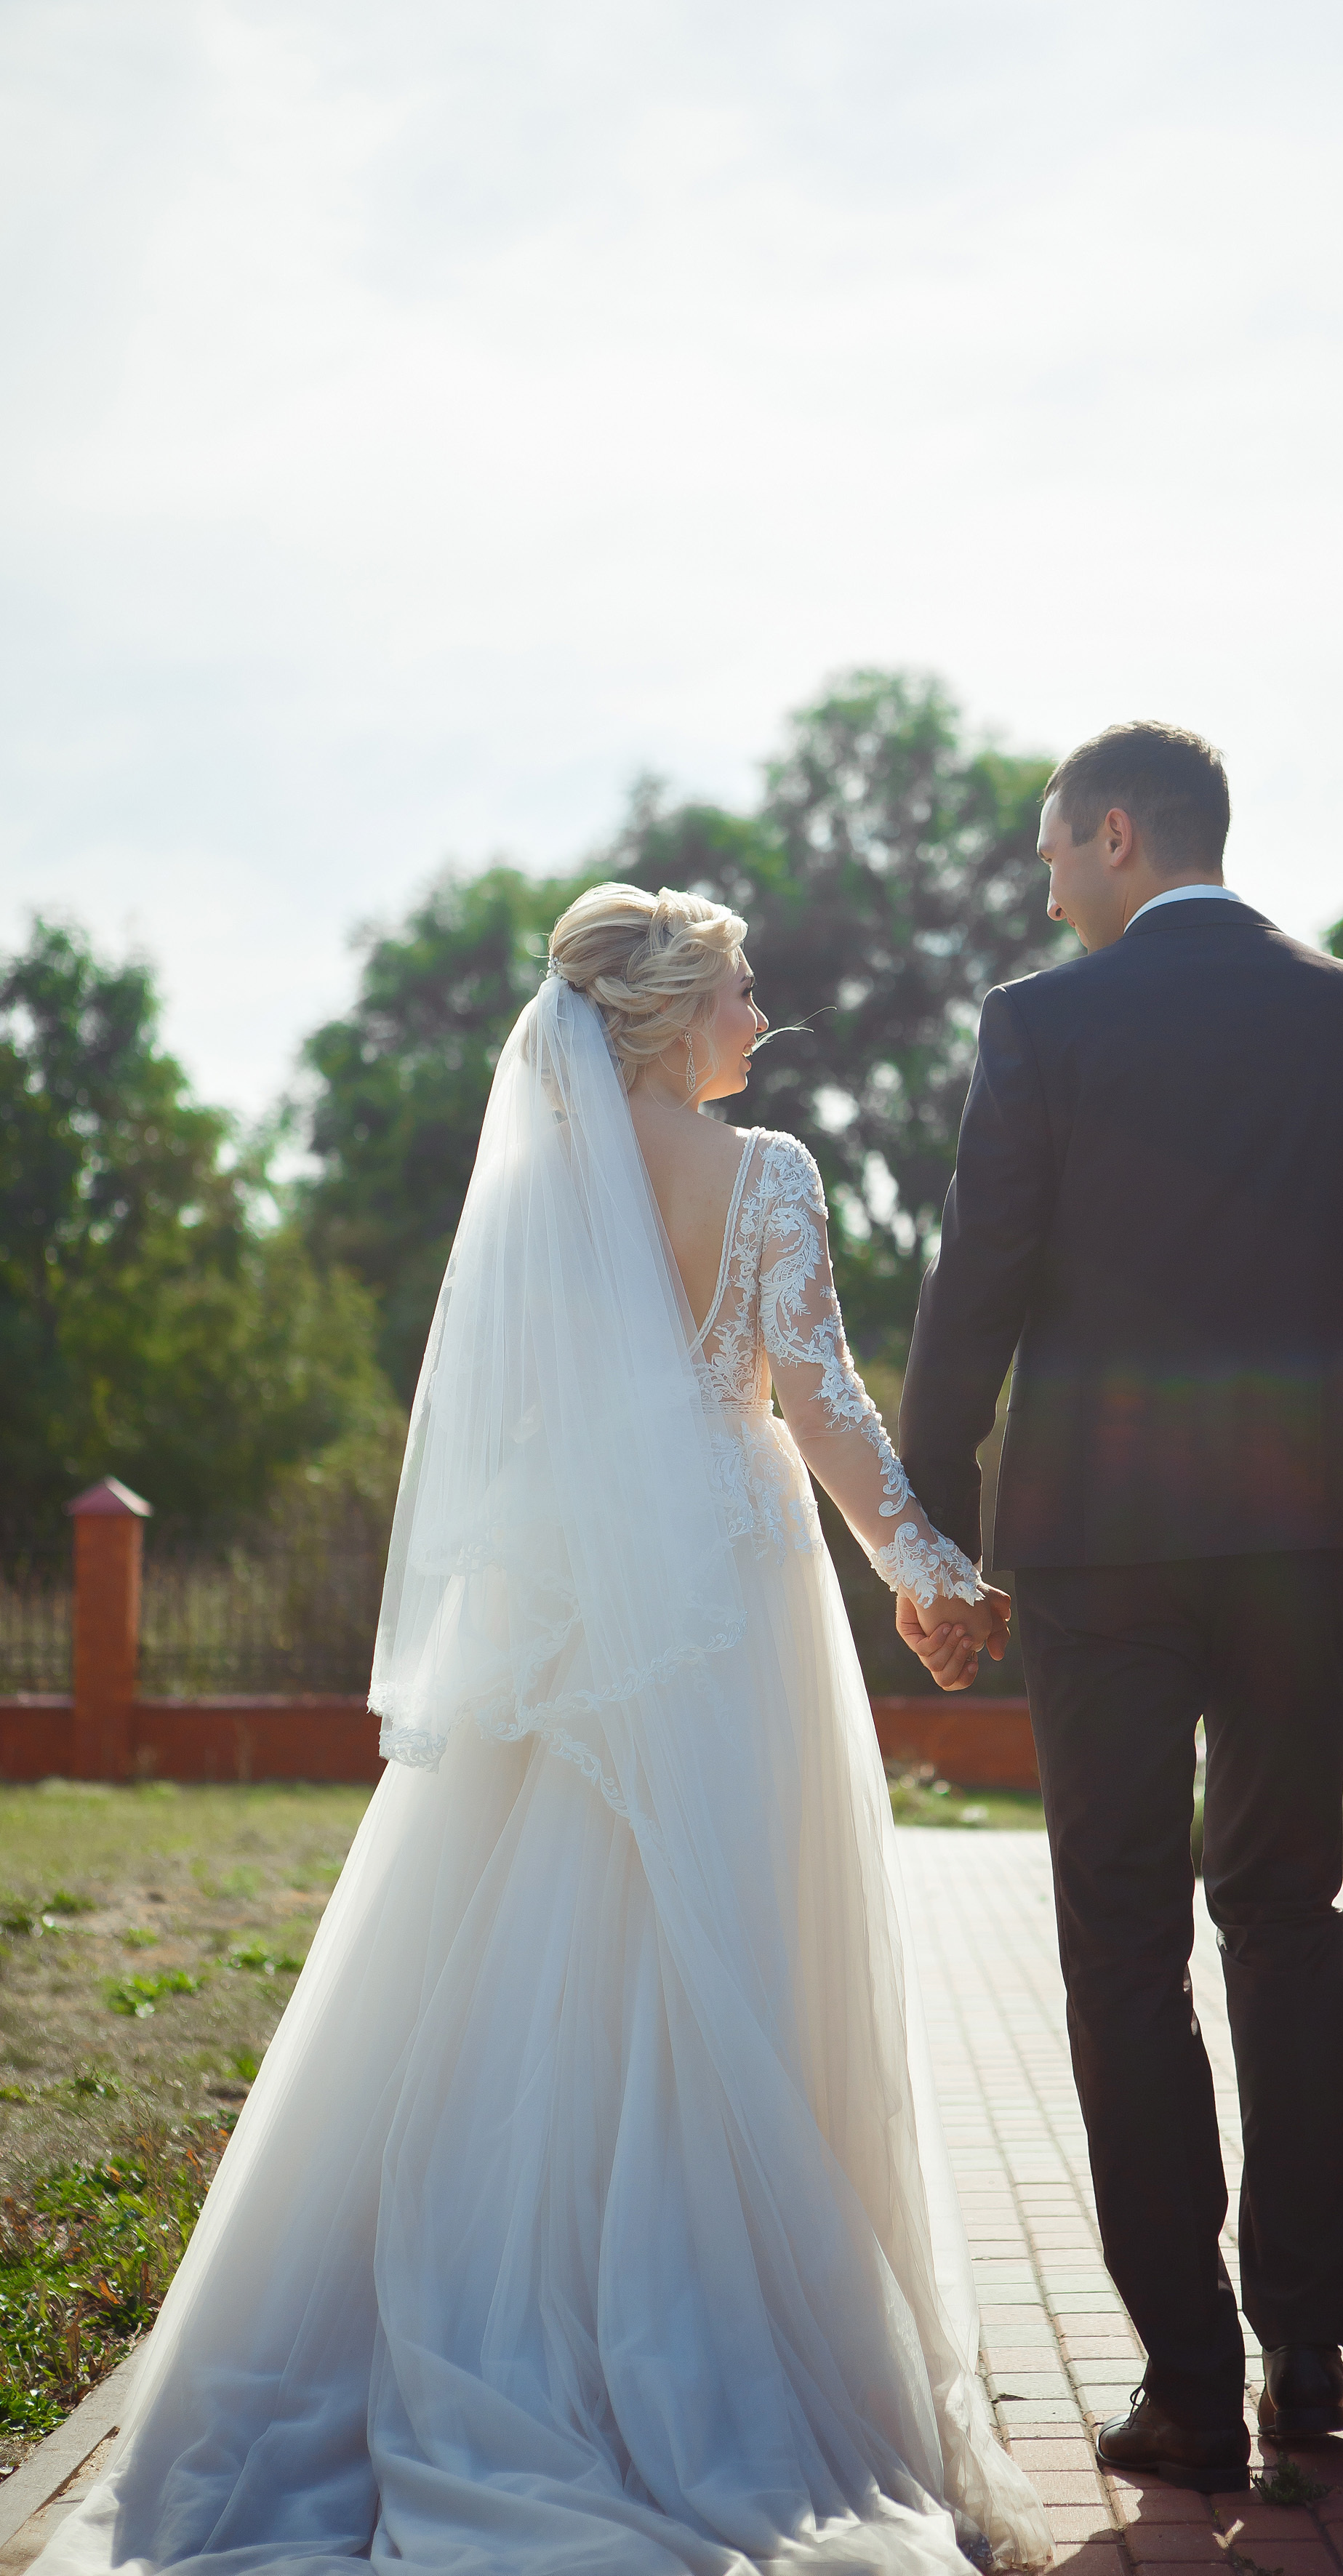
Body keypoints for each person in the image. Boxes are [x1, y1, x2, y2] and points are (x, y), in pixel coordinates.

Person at [39, 886, 1049, 2576]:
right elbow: (822, 1404)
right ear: (665, 1016)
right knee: (727, 1944)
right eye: (740, 988)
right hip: (733, 1612)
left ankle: (511, 2316)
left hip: (575, 1629)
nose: (760, 1014)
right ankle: (703, 2347)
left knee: (538, 1968)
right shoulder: (771, 1176)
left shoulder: (532, 1191)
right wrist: (929, 1571)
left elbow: (505, 1438)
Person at [896, 723, 1343, 2492]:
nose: (1046, 882)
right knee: (1286, 1917)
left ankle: (1186, 2380)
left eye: (1055, 847)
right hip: (1295, 1552)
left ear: (1120, 835)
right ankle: (1308, 2358)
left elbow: (977, 1273)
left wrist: (932, 1531)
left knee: (1121, 1944)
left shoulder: (1044, 1025)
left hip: (1097, 1549)